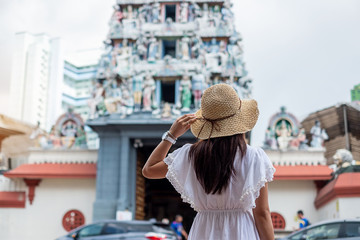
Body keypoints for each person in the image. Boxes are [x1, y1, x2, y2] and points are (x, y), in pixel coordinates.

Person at [142, 84, 275, 239]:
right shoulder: (254, 157)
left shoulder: (190, 155)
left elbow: (149, 170)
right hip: (241, 231)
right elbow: (262, 214)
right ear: (239, 122)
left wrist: (172, 135)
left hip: (204, 231)